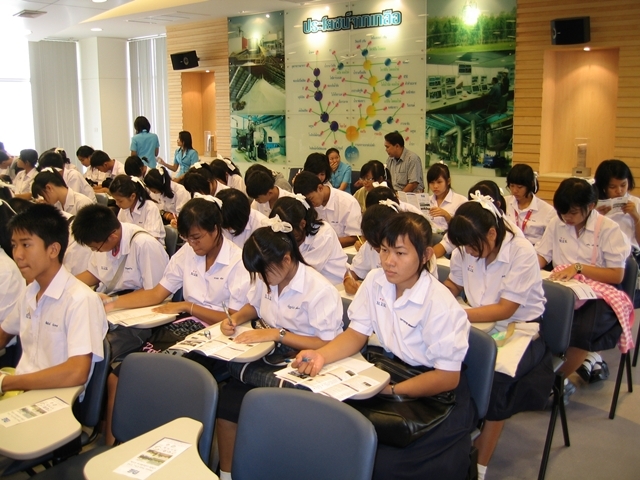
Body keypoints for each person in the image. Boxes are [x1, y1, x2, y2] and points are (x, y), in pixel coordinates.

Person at [293, 212, 475, 480]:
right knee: (330, 430)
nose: (389, 261)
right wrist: (321, 356)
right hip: (391, 371)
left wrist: (392, 391)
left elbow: (447, 377)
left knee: (383, 464)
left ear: (425, 255)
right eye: (384, 250)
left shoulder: (440, 304)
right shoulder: (376, 281)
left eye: (400, 253)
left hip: (432, 390)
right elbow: (356, 333)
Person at [101, 196, 251, 444]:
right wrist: (112, 303)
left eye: (197, 237)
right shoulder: (187, 253)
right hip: (183, 326)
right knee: (120, 375)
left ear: (216, 229)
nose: (192, 244)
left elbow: (232, 318)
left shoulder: (238, 261)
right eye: (187, 238)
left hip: (217, 336)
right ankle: (112, 447)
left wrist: (188, 306)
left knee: (162, 381)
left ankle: (159, 443)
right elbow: (157, 294)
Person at [216, 217, 344, 480]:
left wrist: (279, 334)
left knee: (271, 413)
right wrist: (234, 319)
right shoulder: (267, 277)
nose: (262, 279)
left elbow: (327, 342)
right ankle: (226, 474)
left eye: (265, 272)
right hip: (271, 356)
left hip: (307, 362)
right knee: (227, 404)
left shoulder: (318, 289)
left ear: (287, 259)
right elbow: (254, 306)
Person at [445, 198, 552, 480]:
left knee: (496, 380)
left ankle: (479, 465)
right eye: (464, 247)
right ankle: (455, 438)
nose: (469, 252)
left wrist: (456, 313)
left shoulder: (521, 252)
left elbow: (506, 309)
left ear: (492, 233)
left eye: (473, 247)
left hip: (520, 329)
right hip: (478, 322)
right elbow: (454, 283)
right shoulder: (467, 247)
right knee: (443, 364)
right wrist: (439, 297)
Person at [0, 204, 107, 398]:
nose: (17, 255)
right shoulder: (30, 292)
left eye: (26, 245)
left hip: (55, 399)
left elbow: (77, 372)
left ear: (53, 250)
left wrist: (6, 383)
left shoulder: (80, 300)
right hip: (23, 391)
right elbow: (3, 334)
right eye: (14, 245)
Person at [536, 178, 631, 381]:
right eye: (562, 212)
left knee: (580, 330)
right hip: (564, 288)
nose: (566, 218)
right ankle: (539, 373)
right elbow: (542, 255)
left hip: (599, 294)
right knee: (533, 317)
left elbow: (617, 275)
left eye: (572, 212)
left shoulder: (608, 229)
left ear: (591, 206)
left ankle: (556, 382)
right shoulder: (557, 223)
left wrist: (579, 268)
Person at [73, 204, 169, 295]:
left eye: (96, 248)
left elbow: (154, 292)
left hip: (137, 302)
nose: (94, 251)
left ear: (112, 237)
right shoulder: (102, 237)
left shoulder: (144, 245)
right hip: (111, 296)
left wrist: (111, 302)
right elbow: (94, 273)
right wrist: (68, 284)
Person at [270, 195, 347, 285]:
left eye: (289, 232)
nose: (285, 236)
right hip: (303, 285)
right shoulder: (282, 233)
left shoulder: (323, 234)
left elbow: (304, 272)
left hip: (335, 285)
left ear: (302, 224)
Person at [293, 171, 362, 247]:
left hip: (343, 250)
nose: (310, 204)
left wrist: (325, 244)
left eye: (311, 199)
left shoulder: (348, 203)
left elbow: (355, 237)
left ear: (320, 188)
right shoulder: (307, 205)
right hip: (315, 249)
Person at [343, 203, 397, 294]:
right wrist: (348, 280)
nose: (377, 250)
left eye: (383, 247)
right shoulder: (368, 246)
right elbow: (354, 271)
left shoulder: (407, 250)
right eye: (373, 245)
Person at [505, 164, 555, 247]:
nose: (514, 190)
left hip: (534, 250)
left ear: (531, 184)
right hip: (508, 249)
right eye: (511, 186)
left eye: (519, 187)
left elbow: (548, 242)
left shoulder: (547, 211)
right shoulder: (505, 202)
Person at [109, 175, 165, 245]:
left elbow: (152, 239)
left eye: (120, 201)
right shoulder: (124, 209)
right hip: (132, 246)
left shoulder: (150, 208)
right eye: (115, 200)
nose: (117, 204)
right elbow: (119, 232)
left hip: (151, 248)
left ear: (132, 196)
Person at [426, 163, 467, 232]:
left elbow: (464, 228)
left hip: (450, 236)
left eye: (439, 182)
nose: (435, 186)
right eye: (432, 182)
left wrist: (447, 216)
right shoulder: (427, 200)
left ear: (448, 181)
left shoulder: (461, 201)